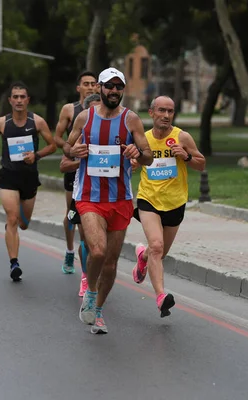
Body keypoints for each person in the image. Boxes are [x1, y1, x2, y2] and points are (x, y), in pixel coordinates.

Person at [63, 67, 153, 334]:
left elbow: (147, 156)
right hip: (90, 197)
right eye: (109, 86)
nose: (114, 91)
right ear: (100, 88)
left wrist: (138, 151)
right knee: (98, 251)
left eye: (118, 87)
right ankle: (90, 292)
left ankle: (98, 310)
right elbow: (67, 148)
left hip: (121, 199)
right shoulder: (84, 118)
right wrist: (74, 150)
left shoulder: (131, 120)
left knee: (111, 262)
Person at [131, 95, 206, 317]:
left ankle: (142, 258)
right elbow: (132, 162)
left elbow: (201, 164)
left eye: (170, 111)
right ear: (151, 113)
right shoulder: (143, 139)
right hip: (148, 200)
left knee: (158, 254)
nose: (166, 115)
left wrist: (187, 156)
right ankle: (161, 296)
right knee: (157, 246)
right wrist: (133, 163)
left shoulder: (182, 136)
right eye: (161, 110)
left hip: (175, 202)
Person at [0, 81, 57, 282]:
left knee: (23, 223)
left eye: (22, 97)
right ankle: (14, 263)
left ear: (28, 100)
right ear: (10, 100)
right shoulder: (1, 123)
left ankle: (14, 227)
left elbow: (52, 146)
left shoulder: (37, 122)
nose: (18, 100)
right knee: (12, 218)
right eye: (15, 97)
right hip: (8, 176)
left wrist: (36, 156)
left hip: (29, 178)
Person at [54, 71, 98, 275]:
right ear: (78, 88)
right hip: (74, 166)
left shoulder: (102, 109)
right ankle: (70, 250)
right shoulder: (70, 109)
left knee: (87, 220)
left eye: (93, 83)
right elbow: (58, 138)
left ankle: (86, 267)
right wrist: (71, 151)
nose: (90, 87)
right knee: (72, 214)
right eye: (86, 84)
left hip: (96, 169)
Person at [58, 93, 101, 297]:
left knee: (103, 245)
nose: (97, 114)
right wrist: (81, 161)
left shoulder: (115, 135)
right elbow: (63, 165)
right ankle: (86, 277)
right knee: (86, 238)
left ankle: (95, 274)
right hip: (84, 193)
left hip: (110, 195)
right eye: (92, 110)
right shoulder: (79, 138)